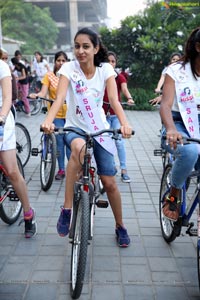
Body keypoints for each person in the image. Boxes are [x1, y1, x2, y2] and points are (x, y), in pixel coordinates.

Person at [42, 27, 133, 247]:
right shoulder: (68, 68)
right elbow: (60, 97)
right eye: (77, 46)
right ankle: (67, 209)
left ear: (96, 48)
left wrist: (124, 123)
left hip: (99, 129)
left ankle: (120, 225)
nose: (80, 51)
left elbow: (113, 100)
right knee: (79, 150)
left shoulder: (106, 70)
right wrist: (49, 121)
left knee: (110, 183)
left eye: (86, 46)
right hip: (75, 128)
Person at [160, 27, 200, 221]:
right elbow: (165, 105)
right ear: (198, 47)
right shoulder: (176, 71)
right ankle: (174, 192)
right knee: (191, 151)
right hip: (179, 123)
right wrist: (170, 129)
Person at [0, 49, 36, 238]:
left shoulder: (2, 67)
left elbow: (7, 98)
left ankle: (28, 213)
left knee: (12, 171)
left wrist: (2, 117)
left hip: (2, 118)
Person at [29, 51, 68, 180]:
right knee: (60, 141)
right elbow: (43, 92)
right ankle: (62, 169)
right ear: (55, 62)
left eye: (63, 60)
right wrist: (37, 95)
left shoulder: (71, 76)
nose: (61, 63)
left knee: (72, 143)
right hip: (55, 114)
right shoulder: (49, 76)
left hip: (71, 115)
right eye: (59, 60)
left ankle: (75, 170)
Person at [103, 51, 134, 183]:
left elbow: (125, 89)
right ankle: (109, 168)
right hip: (102, 115)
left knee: (119, 141)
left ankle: (124, 169)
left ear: (116, 63)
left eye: (113, 61)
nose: (111, 63)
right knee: (104, 141)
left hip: (115, 115)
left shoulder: (119, 77)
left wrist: (129, 98)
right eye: (108, 61)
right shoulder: (100, 75)